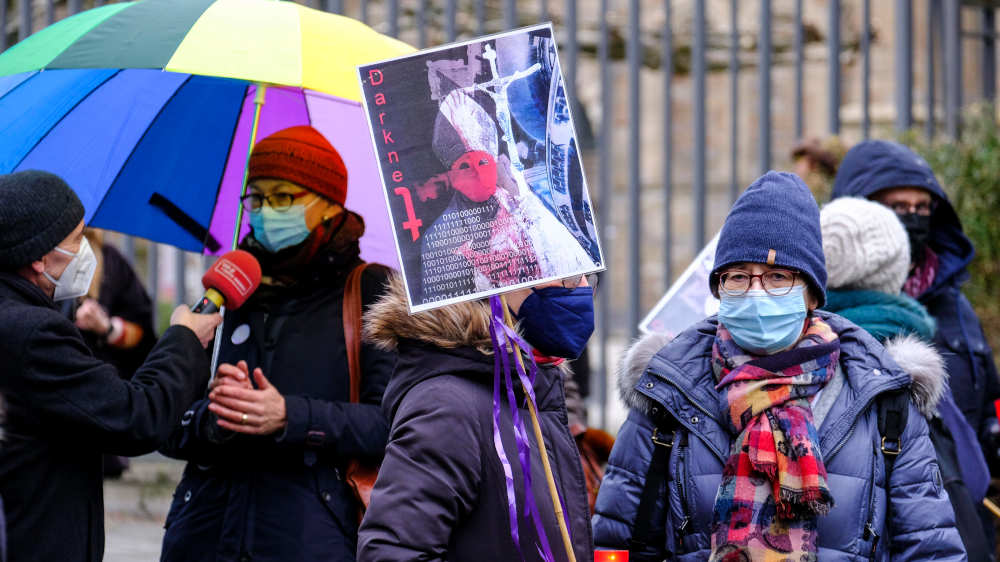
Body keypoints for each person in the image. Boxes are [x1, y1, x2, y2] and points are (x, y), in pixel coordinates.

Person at [593, 172, 965, 560]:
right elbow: (617, 541)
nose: (756, 292)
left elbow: (929, 547)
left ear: (810, 294)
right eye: (738, 277)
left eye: (777, 277)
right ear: (719, 289)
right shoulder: (668, 392)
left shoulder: (881, 399)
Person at [159, 126, 395, 562]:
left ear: (327, 204)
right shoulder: (227, 287)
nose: (266, 213)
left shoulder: (369, 292)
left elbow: (391, 427)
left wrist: (289, 416)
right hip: (204, 537)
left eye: (283, 197)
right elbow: (162, 419)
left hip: (312, 539)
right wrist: (213, 419)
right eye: (257, 198)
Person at [0, 170, 220, 562]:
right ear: (38, 257)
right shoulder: (33, 331)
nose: (86, 250)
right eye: (76, 239)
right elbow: (133, 417)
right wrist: (184, 338)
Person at [357, 273, 596, 561]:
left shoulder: (531, 395)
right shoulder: (446, 406)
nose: (583, 288)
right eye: (567, 278)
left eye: (588, 277)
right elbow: (393, 553)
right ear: (497, 283)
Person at [820, 196, 991, 560]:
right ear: (895, 268)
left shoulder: (794, 359)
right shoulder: (904, 372)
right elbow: (960, 494)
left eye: (922, 207)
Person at [831, 140, 1000, 472]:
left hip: (965, 506)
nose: (913, 218)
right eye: (899, 207)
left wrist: (992, 432)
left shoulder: (954, 305)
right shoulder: (830, 315)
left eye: (922, 207)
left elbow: (990, 397)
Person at [61, 227, 159, 478]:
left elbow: (143, 333)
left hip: (100, 395)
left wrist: (107, 327)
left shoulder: (111, 262)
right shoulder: (43, 260)